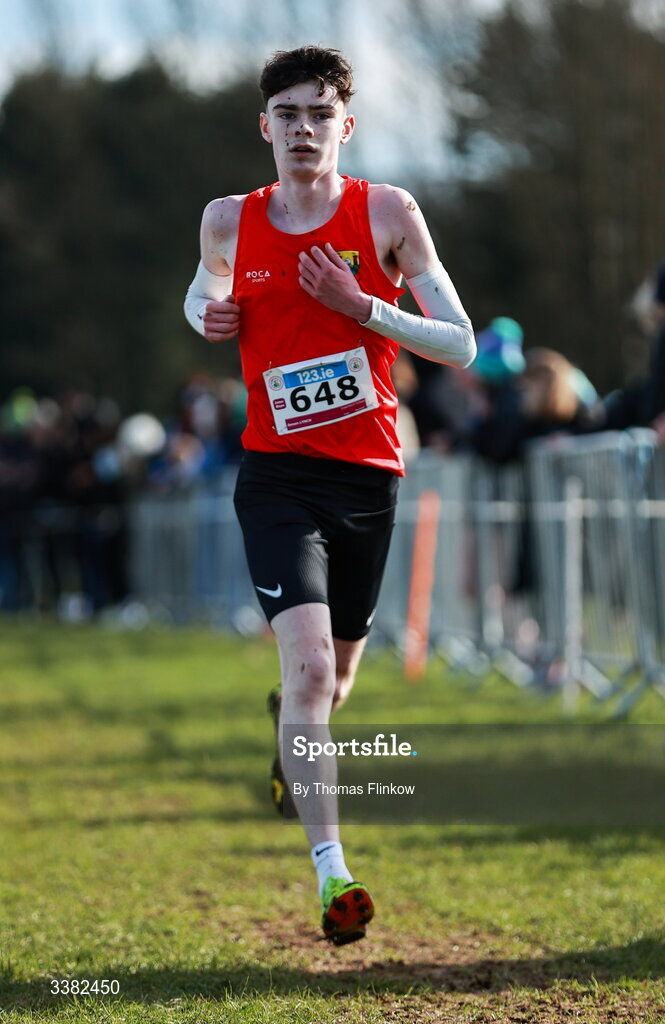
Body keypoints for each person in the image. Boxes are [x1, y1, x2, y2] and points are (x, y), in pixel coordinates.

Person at [183, 45, 475, 945]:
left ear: (344, 127)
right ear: (263, 126)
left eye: (319, 115)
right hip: (275, 476)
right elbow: (199, 294)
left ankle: (288, 738)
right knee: (307, 667)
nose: (302, 130)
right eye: (287, 115)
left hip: (367, 476)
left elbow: (458, 344)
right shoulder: (229, 220)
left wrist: (365, 308)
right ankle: (332, 875)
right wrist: (208, 315)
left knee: (336, 678)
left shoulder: (387, 211)